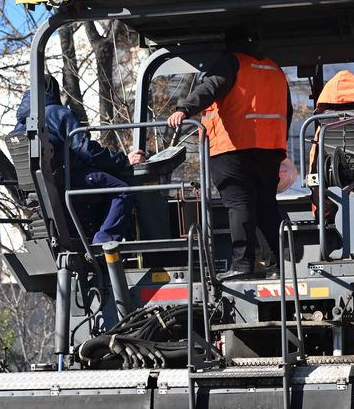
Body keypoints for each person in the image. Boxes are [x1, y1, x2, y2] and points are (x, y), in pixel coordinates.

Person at [166, 26, 289, 279]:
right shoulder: (274, 69)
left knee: (239, 204)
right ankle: (277, 268)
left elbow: (210, 88)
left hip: (232, 147)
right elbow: (285, 109)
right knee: (266, 206)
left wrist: (184, 109)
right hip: (270, 148)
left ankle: (242, 266)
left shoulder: (232, 63)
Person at [16, 73, 147, 244]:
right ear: (52, 91)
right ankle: (104, 240)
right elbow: (86, 150)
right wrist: (122, 160)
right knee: (123, 190)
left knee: (102, 185)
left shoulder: (19, 126)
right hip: (68, 178)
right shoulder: (59, 113)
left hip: (41, 186)